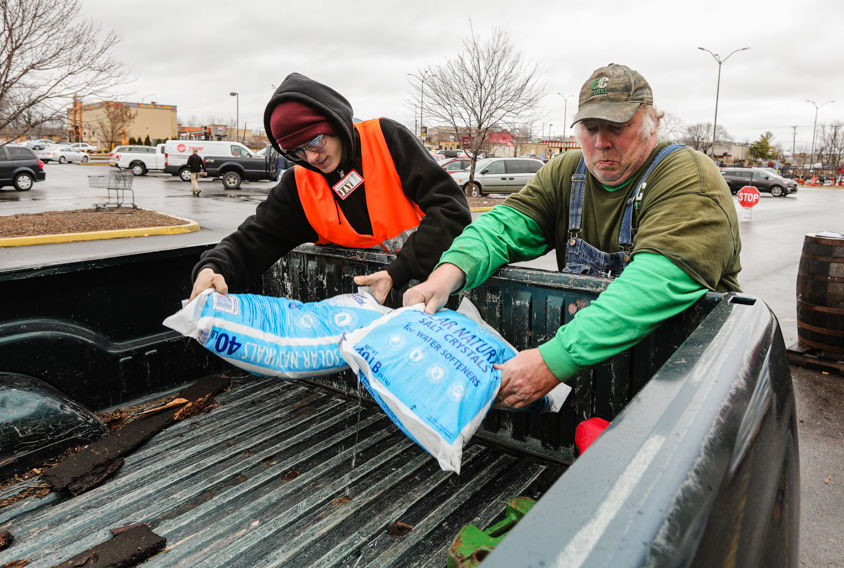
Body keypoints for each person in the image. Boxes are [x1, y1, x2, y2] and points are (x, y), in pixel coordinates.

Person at [404, 63, 742, 409]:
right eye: (590, 127)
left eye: (618, 127)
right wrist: (446, 275)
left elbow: (656, 282)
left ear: (651, 124)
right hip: (603, 371)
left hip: (684, 384)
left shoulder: (687, 175)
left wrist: (552, 361)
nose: (601, 142)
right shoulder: (567, 173)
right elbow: (501, 226)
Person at [189, 72, 470, 304]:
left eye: (315, 141)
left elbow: (451, 211)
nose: (311, 157)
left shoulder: (386, 140)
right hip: (361, 316)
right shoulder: (300, 186)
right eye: (296, 151)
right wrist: (213, 267)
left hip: (428, 299)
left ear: (335, 123)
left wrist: (398, 272)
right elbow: (254, 239)